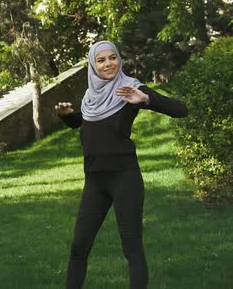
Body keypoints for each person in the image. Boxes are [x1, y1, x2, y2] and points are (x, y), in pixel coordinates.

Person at [55, 41, 188, 288]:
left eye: (112, 58)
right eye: (101, 60)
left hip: (124, 178)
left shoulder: (131, 88)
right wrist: (67, 117)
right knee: (78, 248)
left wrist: (147, 100)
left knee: (132, 248)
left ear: (119, 59)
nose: (108, 64)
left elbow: (181, 110)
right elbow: (85, 124)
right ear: (93, 65)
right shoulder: (90, 96)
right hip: (95, 181)